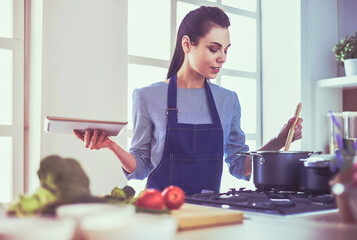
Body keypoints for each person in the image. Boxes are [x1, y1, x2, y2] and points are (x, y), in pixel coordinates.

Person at [74, 6, 303, 195]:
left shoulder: (228, 100)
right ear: (187, 44)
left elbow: (238, 166)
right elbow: (141, 168)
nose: (222, 58)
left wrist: (278, 140)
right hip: (159, 213)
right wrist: (111, 146)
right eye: (214, 48)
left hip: (209, 215)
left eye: (226, 50)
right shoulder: (147, 97)